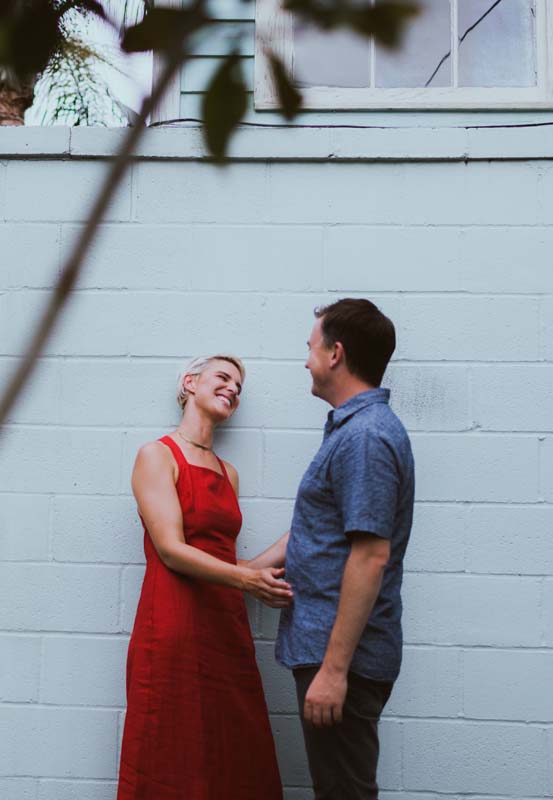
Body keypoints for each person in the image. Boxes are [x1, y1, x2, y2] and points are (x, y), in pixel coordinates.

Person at [246, 299, 415, 800]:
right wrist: (241, 574)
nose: (306, 360)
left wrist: (335, 671)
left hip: (342, 661)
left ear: (335, 353)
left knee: (344, 793)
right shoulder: (352, 430)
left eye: (311, 346)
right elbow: (315, 531)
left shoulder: (365, 437)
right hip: (326, 654)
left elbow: (370, 556)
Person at [118, 354, 288, 800]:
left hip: (224, 630)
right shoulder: (157, 455)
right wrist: (248, 582)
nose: (233, 388)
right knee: (169, 748)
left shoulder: (228, 474)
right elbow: (172, 551)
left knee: (233, 749)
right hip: (172, 625)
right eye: (223, 377)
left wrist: (300, 534)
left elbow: (231, 565)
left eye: (239, 386)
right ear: (190, 383)